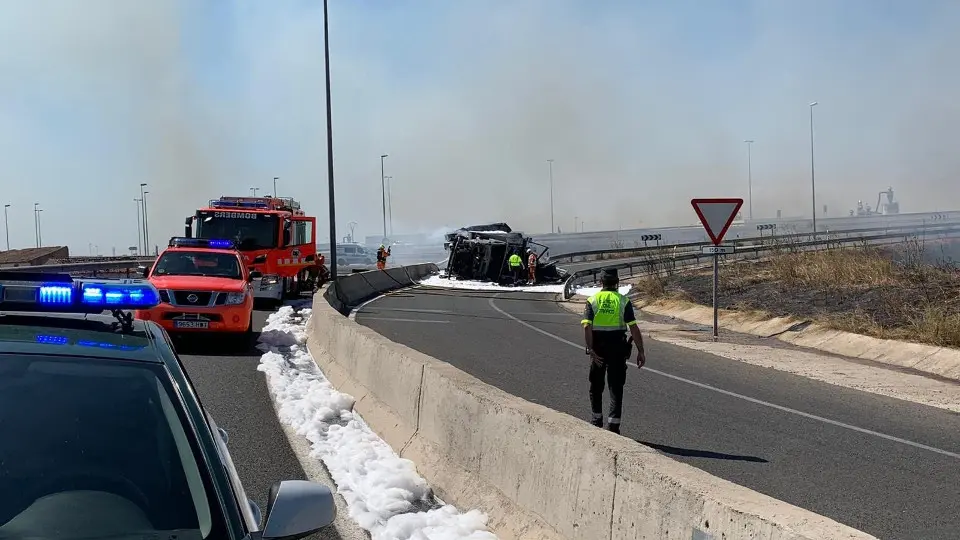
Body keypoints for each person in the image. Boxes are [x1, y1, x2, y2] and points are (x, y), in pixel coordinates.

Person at [581, 267, 646, 434]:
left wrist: (590, 349)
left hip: (598, 348)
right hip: (618, 348)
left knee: (596, 385)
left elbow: (587, 326)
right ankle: (613, 426)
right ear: (617, 283)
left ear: (600, 282)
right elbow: (634, 328)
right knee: (616, 387)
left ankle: (596, 421)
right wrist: (641, 351)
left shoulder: (593, 300)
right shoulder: (623, 301)